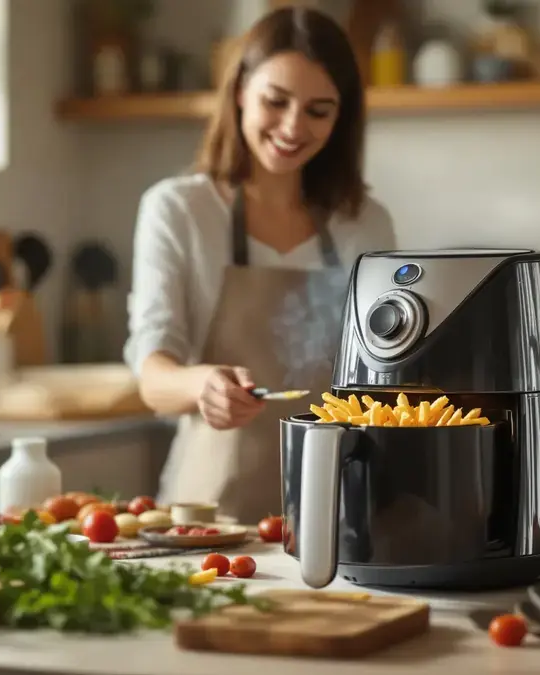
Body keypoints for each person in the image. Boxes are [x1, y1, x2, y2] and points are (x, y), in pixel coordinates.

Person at [122, 6, 397, 525]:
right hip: (209, 521)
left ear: (342, 117)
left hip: (340, 513)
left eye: (319, 110)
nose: (293, 127)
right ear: (240, 91)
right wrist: (201, 385)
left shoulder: (365, 224)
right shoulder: (179, 210)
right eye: (276, 101)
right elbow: (152, 376)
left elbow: (383, 375)